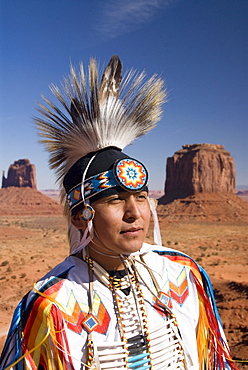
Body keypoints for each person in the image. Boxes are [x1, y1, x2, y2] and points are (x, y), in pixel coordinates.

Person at [0, 55, 238, 370]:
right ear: (80, 216)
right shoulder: (52, 304)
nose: (134, 212)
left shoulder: (182, 275)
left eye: (141, 198)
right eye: (114, 200)